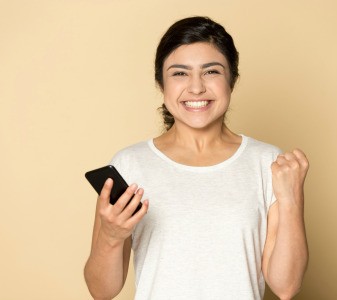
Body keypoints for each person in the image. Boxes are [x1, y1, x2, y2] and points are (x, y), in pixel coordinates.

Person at [84, 16, 309, 300]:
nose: (196, 87)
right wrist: (111, 236)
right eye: (179, 73)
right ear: (160, 83)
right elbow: (100, 291)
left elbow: (286, 286)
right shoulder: (130, 165)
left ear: (232, 79)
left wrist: (291, 201)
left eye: (211, 72)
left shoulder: (268, 162)